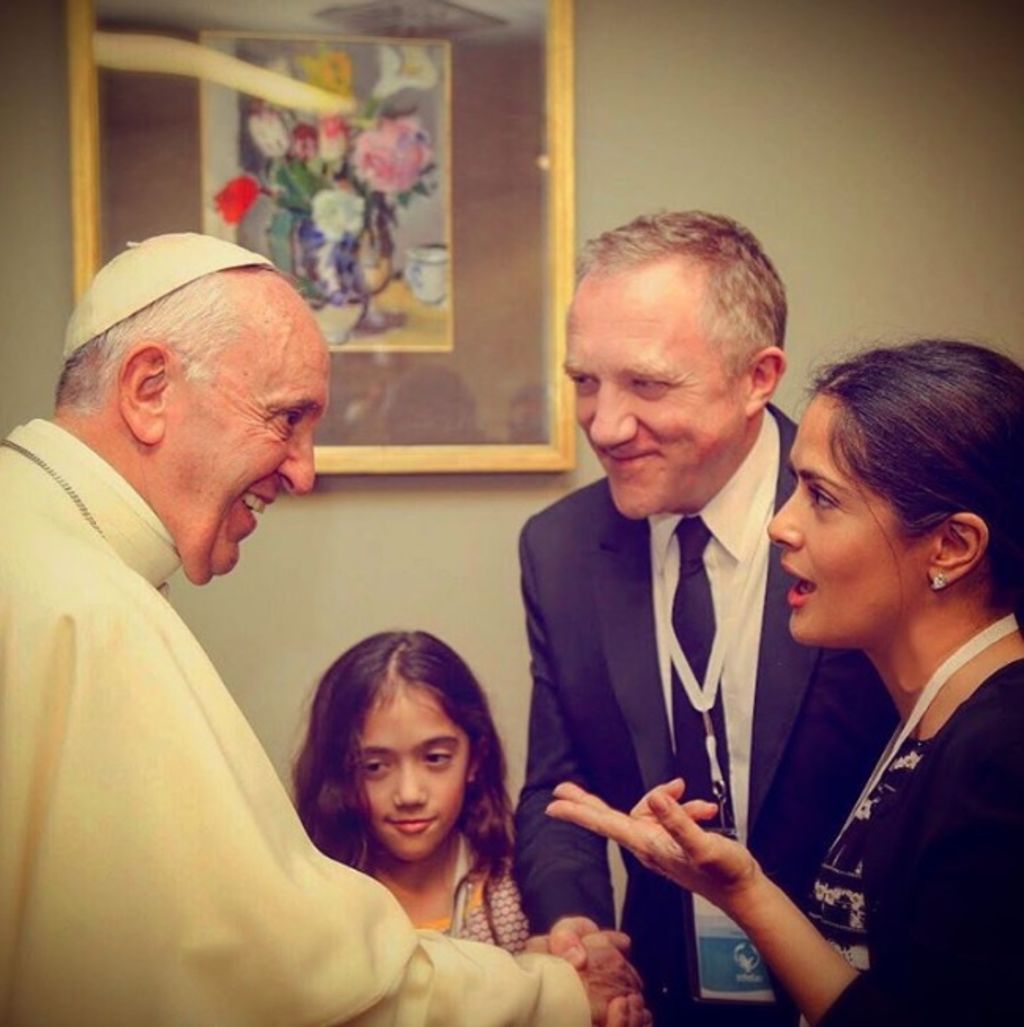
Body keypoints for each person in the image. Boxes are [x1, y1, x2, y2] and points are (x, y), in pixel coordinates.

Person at [0, 233, 649, 1027]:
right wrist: (548, 992)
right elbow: (271, 970)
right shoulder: (85, 606)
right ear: (148, 388)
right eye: (286, 418)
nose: (304, 470)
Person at [547, 338, 1024, 1026]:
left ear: (950, 546)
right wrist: (741, 889)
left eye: (823, 498)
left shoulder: (1002, 756)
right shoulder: (936, 722)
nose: (780, 523)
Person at [514, 211, 895, 1026]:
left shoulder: (873, 526)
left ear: (758, 376)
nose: (604, 425)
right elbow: (560, 784)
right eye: (586, 381)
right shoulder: (559, 548)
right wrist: (576, 926)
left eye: (647, 385)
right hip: (661, 999)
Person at [294, 630, 532, 950]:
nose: (408, 794)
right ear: (340, 771)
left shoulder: (520, 894)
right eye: (375, 767)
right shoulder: (312, 903)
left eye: (435, 759)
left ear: (475, 758)